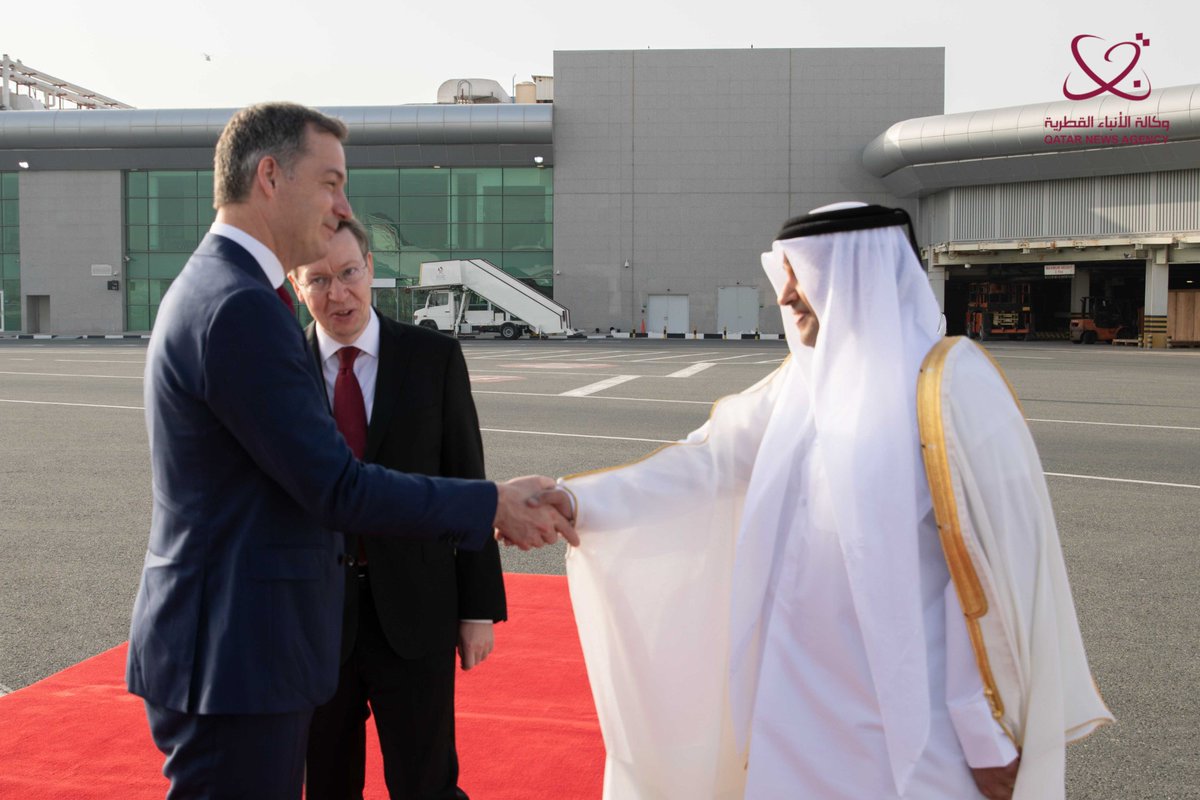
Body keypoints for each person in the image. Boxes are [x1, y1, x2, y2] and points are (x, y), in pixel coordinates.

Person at [550, 203, 1111, 799]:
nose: (785, 295)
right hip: (791, 708)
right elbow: (708, 464)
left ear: (856, 276)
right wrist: (572, 502)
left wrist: (985, 735)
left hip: (910, 722)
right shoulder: (798, 387)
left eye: (802, 275)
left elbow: (988, 578)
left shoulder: (950, 388)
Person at [126, 102, 575, 799]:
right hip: (237, 652)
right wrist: (491, 504)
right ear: (269, 177)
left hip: (240, 644)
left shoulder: (223, 286)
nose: (342, 206)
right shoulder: (240, 305)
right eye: (331, 183)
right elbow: (337, 487)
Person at [290, 218, 506, 799]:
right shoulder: (279, 370)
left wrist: (478, 608)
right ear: (295, 284)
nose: (338, 293)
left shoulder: (432, 358)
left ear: (370, 268)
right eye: (319, 280)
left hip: (416, 608)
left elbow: (464, 475)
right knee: (326, 785)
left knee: (426, 784)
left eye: (349, 273)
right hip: (311, 619)